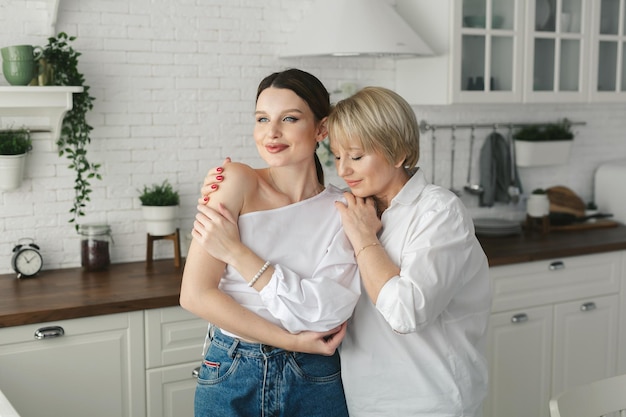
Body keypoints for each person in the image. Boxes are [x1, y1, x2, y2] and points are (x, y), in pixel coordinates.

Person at [202, 86, 491, 417]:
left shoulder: (438, 212)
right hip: (360, 399)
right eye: (337, 156)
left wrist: (365, 239)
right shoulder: (351, 207)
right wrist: (227, 182)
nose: (343, 170)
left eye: (356, 157)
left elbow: (406, 312)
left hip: (428, 400)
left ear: (398, 154)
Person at [180, 68, 360, 417]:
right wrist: (291, 341)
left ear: (321, 129)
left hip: (314, 375)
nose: (271, 133)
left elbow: (325, 312)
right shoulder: (235, 180)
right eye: (262, 119)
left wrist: (237, 252)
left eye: (289, 118)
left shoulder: (343, 208)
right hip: (234, 368)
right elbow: (195, 294)